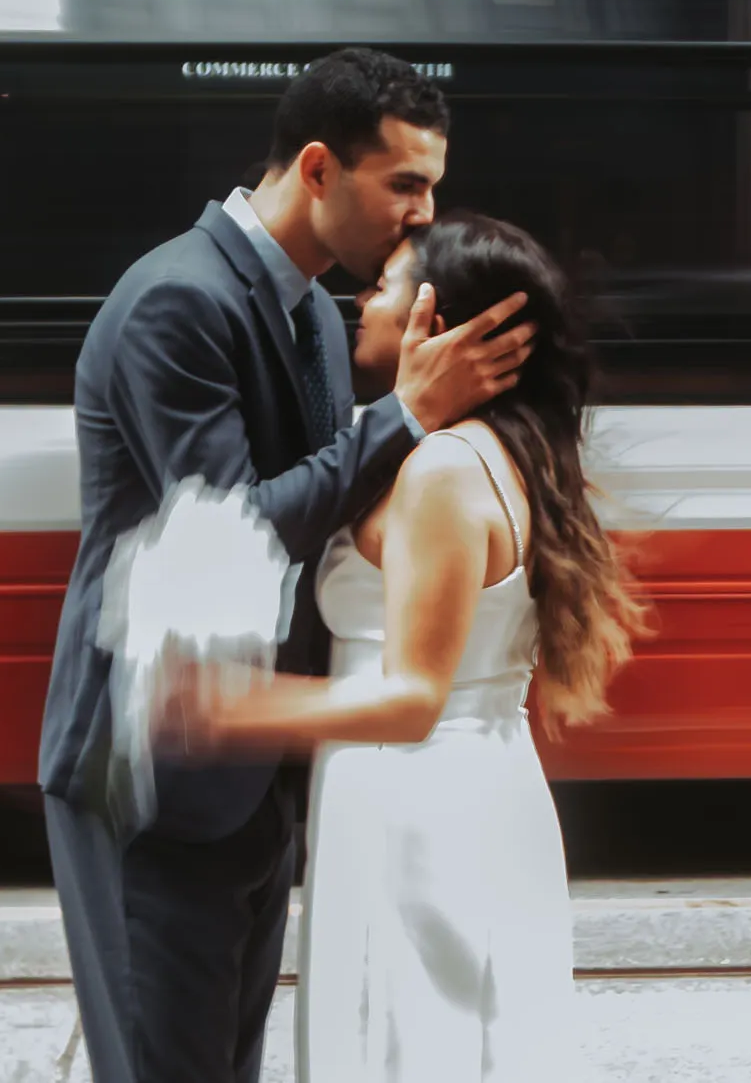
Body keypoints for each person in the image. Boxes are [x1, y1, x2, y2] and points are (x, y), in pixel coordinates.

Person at [37, 49, 535, 1083]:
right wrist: (405, 417)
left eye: (432, 187)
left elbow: (333, 498)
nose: (421, 214)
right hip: (157, 767)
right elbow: (239, 530)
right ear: (318, 168)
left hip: (256, 772)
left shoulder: (312, 309)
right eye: (405, 183)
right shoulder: (177, 302)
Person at [172, 214, 652, 1082]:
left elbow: (414, 696)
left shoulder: (442, 472)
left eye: (385, 284)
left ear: (439, 319)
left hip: (415, 803)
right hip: (462, 789)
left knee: (405, 1047)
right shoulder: (504, 451)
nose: (363, 299)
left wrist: (240, 706)